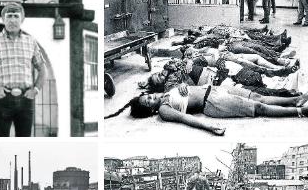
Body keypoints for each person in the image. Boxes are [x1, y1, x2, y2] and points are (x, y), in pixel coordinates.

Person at [104, 85, 308, 135]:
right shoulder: (165, 110)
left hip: (215, 88)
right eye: (149, 101)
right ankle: (299, 112)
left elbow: (185, 88)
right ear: (150, 111)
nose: (152, 97)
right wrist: (209, 128)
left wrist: (182, 84)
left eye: (148, 95)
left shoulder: (166, 93)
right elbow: (186, 119)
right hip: (212, 103)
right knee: (258, 108)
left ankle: (296, 100)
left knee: (257, 96)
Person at [0, 2, 47, 137]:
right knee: (2, 144)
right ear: (3, 19)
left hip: (25, 100)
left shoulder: (31, 41)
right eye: (9, 16)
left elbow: (42, 69)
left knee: (23, 143)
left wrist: (35, 90)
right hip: (2, 100)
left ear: (22, 19)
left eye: (16, 16)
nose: (12, 20)